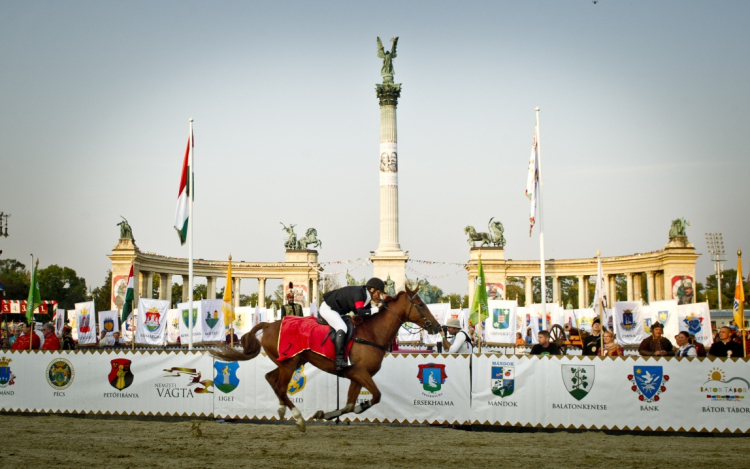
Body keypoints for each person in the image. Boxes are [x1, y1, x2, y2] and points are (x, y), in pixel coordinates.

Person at [320, 277, 385, 371]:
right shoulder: (360, 294)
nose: (380, 296)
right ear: (372, 289)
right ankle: (339, 361)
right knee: (342, 328)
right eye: (379, 293)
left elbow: (368, 314)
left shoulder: (366, 297)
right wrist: (377, 309)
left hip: (338, 311)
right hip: (328, 309)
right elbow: (361, 312)